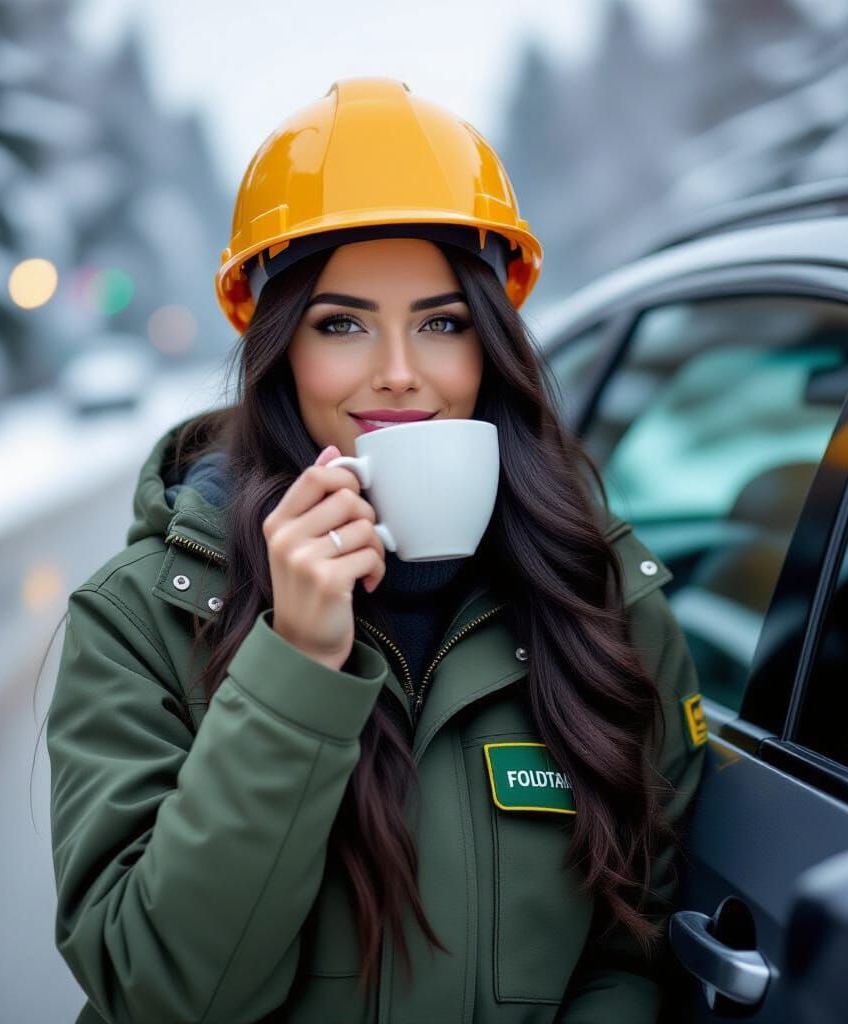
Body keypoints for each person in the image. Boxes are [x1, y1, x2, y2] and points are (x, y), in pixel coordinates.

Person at [47, 76, 707, 1024]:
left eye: (442, 323)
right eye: (342, 324)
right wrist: (297, 666)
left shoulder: (599, 596)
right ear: (280, 348)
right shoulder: (144, 615)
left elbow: (637, 941)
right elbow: (157, 989)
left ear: (493, 344)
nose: (398, 372)